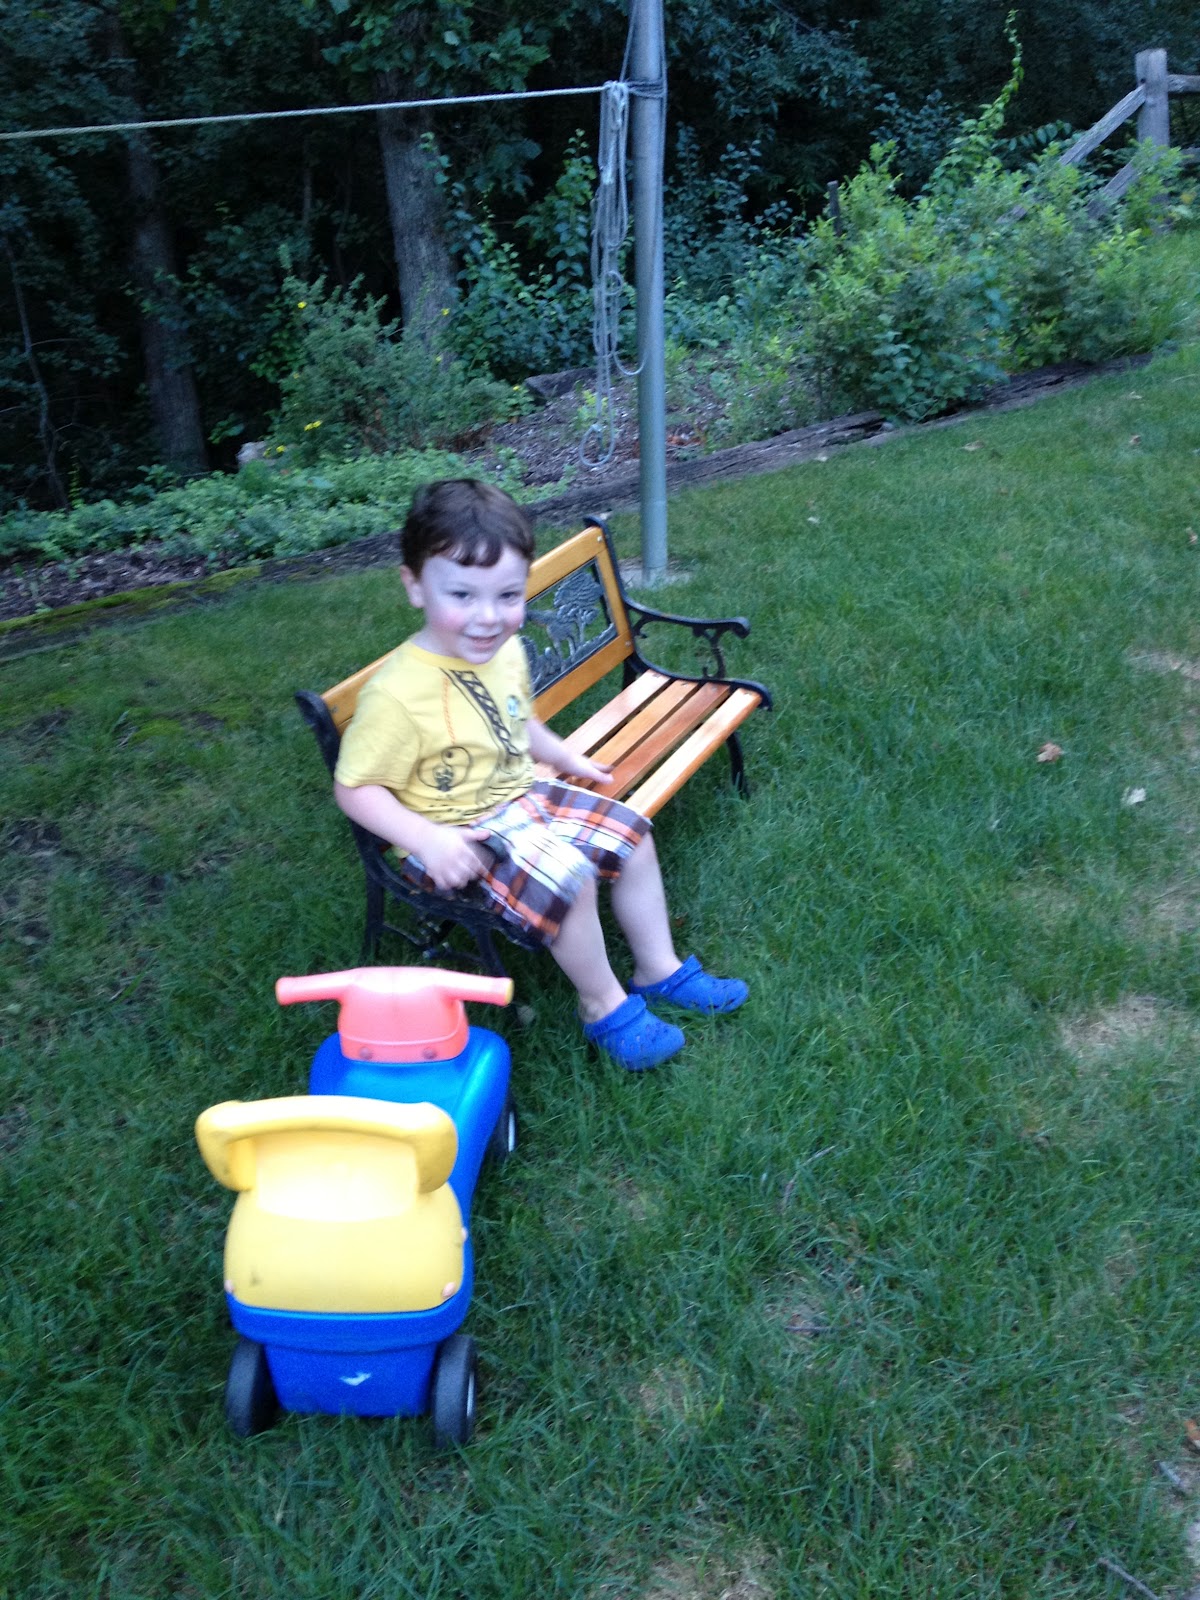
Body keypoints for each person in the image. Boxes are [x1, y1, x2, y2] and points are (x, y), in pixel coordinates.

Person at [333, 478, 747, 1071]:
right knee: (570, 878)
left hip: (523, 793)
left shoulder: (503, 650)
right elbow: (354, 789)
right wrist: (426, 839)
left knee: (633, 835)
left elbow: (517, 718)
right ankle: (603, 1005)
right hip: (458, 834)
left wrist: (563, 756)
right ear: (414, 586)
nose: (487, 617)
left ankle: (657, 968)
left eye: (508, 595)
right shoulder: (396, 695)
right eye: (462, 595)